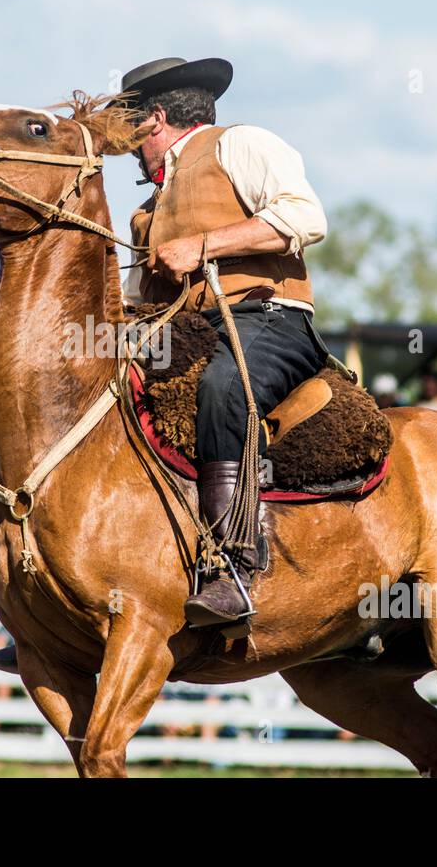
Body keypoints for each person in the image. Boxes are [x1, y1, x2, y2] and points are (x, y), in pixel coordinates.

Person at [117, 56, 330, 630]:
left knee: (222, 385)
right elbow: (133, 295)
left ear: (154, 119)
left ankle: (232, 566)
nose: (131, 151)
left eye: (131, 130)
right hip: (182, 332)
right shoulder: (145, 212)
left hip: (269, 320)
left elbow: (305, 217)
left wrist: (202, 245)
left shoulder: (241, 143)